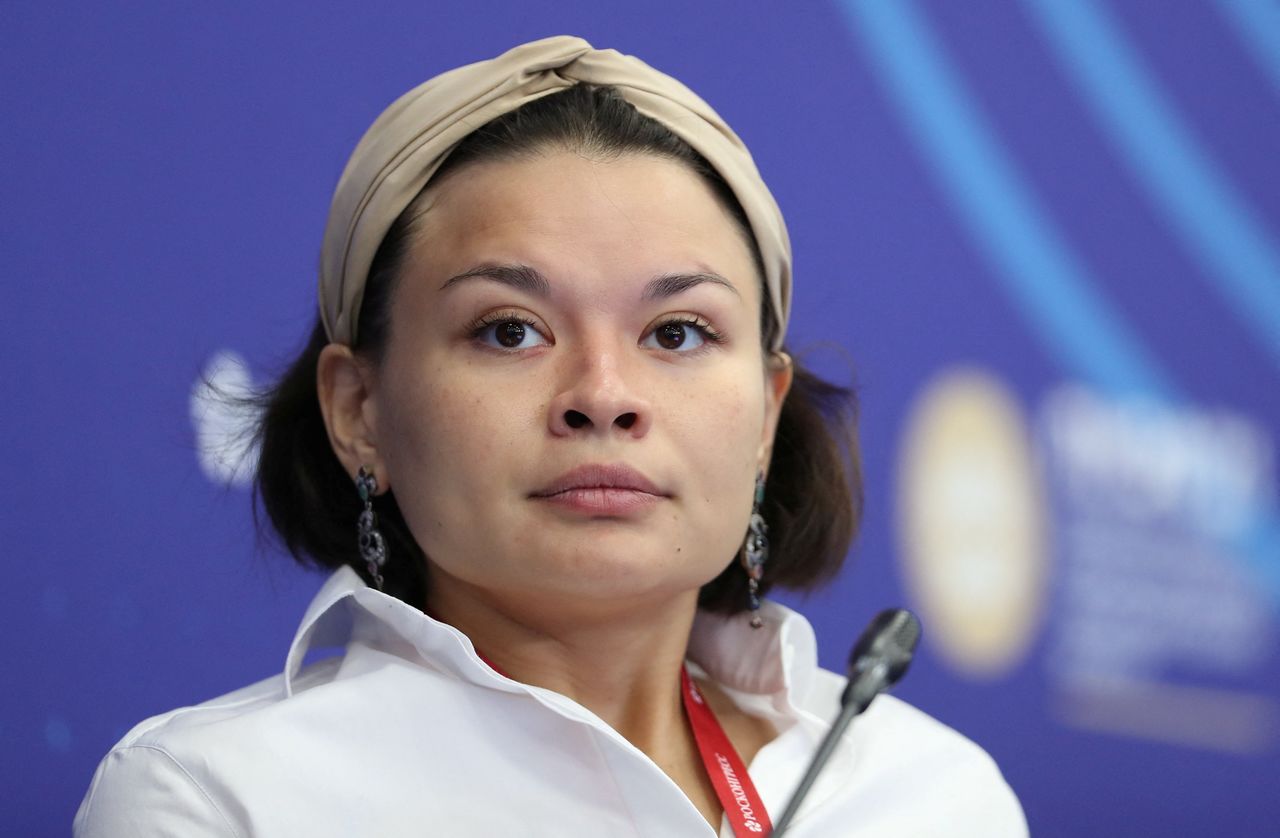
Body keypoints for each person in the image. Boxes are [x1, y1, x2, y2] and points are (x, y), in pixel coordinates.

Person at [74, 36, 1026, 836]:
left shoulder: (930, 797)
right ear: (359, 411)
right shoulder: (215, 800)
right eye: (509, 331)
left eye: (677, 334)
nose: (603, 396)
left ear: (768, 415)